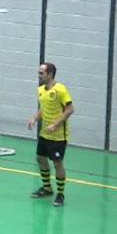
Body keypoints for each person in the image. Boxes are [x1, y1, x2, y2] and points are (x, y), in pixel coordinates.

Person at [28, 62, 74, 207]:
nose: (39, 75)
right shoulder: (41, 90)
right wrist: (35, 118)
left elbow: (70, 109)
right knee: (40, 158)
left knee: (57, 163)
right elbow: (44, 108)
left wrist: (56, 124)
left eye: (42, 73)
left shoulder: (61, 90)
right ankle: (47, 188)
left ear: (50, 74)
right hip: (45, 133)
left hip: (59, 135)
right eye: (39, 72)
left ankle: (60, 194)